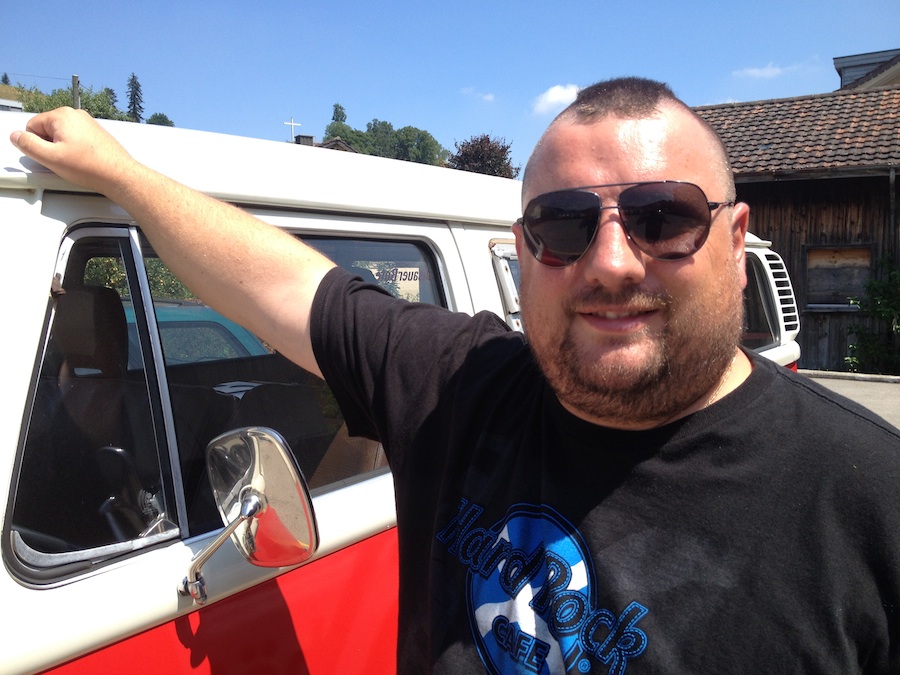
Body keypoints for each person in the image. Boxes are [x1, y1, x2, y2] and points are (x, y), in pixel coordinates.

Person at [11, 77, 900, 674]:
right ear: (524, 251)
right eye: (563, 226)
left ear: (737, 240)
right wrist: (119, 174)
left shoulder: (868, 498)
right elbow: (281, 284)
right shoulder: (461, 384)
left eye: (663, 217)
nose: (611, 261)